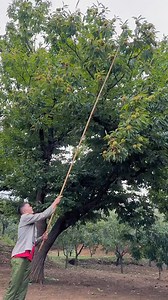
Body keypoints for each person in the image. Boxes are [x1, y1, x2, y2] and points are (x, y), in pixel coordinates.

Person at [3, 195, 62, 300]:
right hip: (19, 257)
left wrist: (41, 238)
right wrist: (54, 203)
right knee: (15, 283)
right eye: (29, 206)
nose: (31, 207)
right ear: (25, 210)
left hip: (27, 258)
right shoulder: (25, 217)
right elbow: (43, 215)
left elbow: (32, 242)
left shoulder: (30, 224)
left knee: (23, 285)